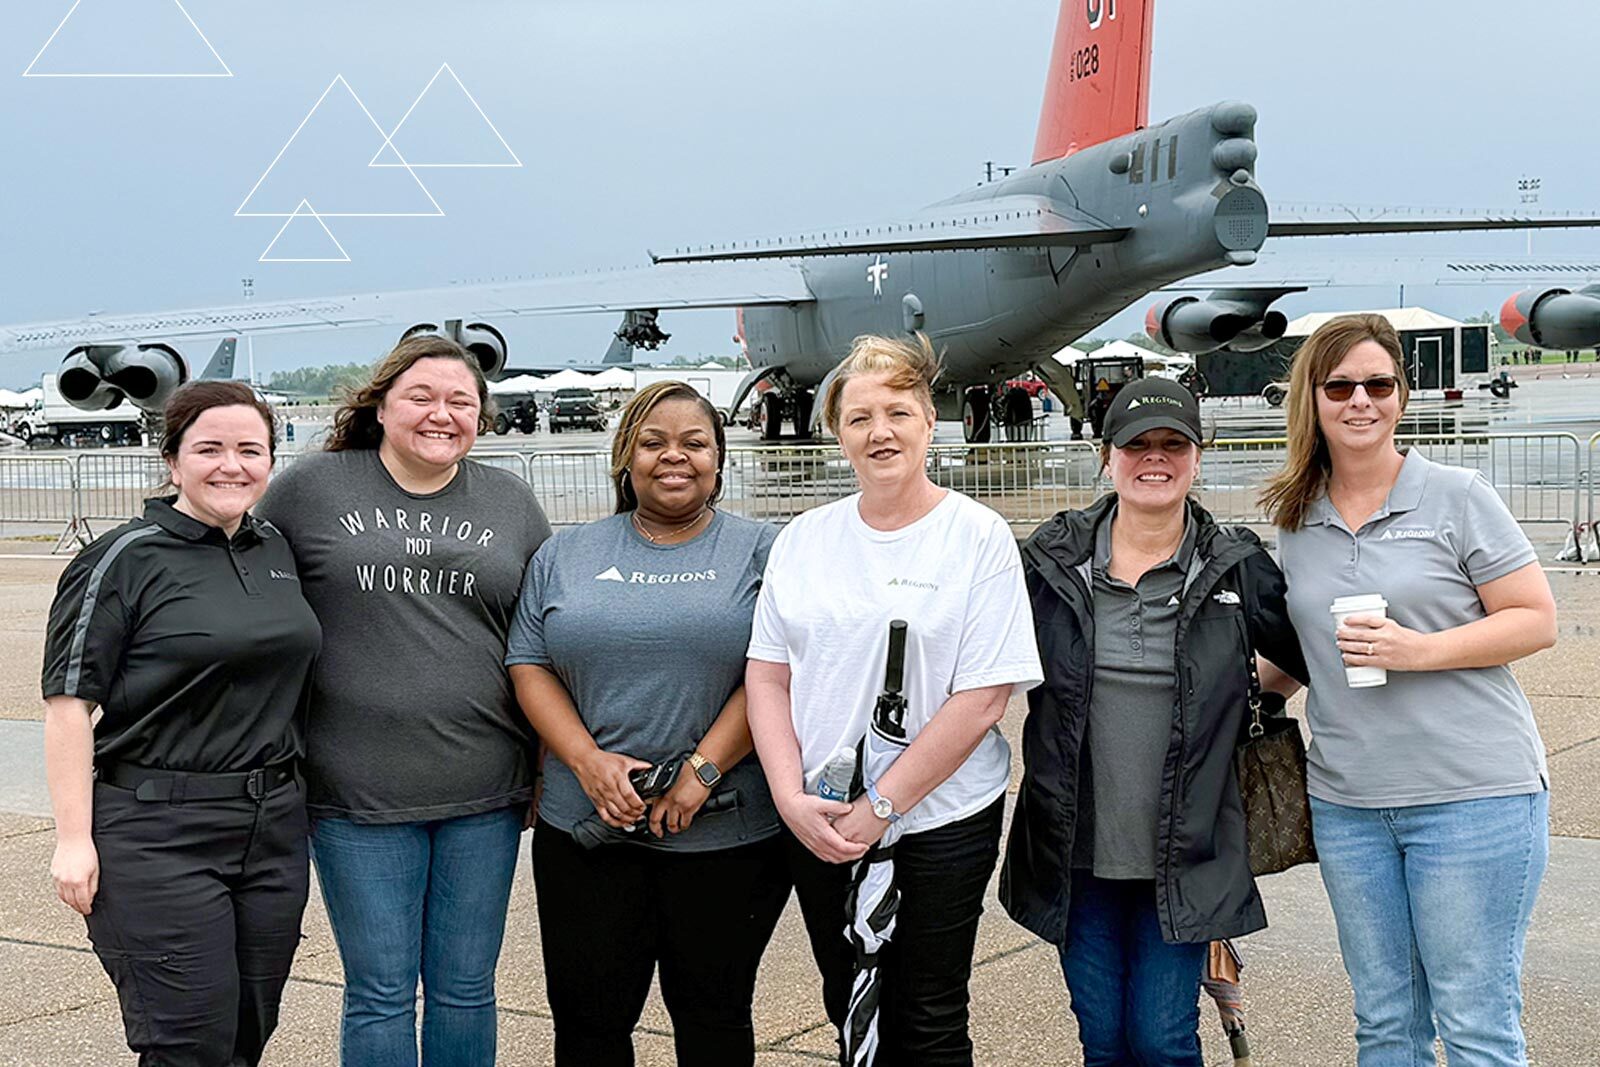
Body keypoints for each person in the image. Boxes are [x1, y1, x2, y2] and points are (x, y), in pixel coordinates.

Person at [1259, 313, 1557, 1066]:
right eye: (1341, 385)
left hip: (1472, 796)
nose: (1361, 400)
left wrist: (1417, 650)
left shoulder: (1457, 495)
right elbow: (1305, 650)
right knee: (1386, 1023)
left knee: (1475, 1023)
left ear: (1401, 393)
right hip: (1350, 805)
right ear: (1313, 398)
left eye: (1379, 384)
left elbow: (1534, 619)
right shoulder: (1296, 517)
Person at [746, 333, 1043, 1065]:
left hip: (941, 818)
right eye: (859, 417)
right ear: (836, 433)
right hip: (822, 818)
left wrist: (880, 805)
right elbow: (768, 675)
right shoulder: (803, 540)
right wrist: (790, 797)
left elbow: (982, 697)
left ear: (928, 421)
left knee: (928, 1012)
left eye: (899, 412)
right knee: (847, 998)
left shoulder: (977, 537)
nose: (880, 431)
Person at [256, 334, 552, 1067]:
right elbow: (243, 583)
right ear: (381, 403)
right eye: (421, 396)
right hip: (355, 793)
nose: (441, 414)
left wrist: (551, 761)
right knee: (381, 991)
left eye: (461, 400)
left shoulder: (510, 501)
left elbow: (543, 640)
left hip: (484, 791)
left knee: (464, 989)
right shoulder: (311, 489)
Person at [998, 377, 1307, 1066]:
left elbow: (1302, 653)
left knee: (1161, 1040)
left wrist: (1246, 696)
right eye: (1136, 444)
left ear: (1198, 457)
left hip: (1188, 851)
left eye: (1173, 443)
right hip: (1076, 851)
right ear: (1107, 457)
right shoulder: (1052, 561)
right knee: (1104, 1040)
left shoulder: (1235, 564)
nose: (1154, 457)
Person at [506, 380, 788, 1066]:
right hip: (588, 834)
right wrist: (586, 761)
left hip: (724, 831)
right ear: (625, 456)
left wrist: (701, 770)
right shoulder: (564, 554)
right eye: (653, 441)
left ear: (720, 458)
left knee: (714, 1017)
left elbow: (778, 669)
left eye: (695, 442)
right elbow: (528, 662)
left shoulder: (765, 550)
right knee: (588, 1023)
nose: (675, 456)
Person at [42, 381, 320, 1067]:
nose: (232, 464)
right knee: (187, 1043)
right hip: (158, 834)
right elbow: (68, 704)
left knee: (246, 1034)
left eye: (250, 449)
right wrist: (73, 838)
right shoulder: (123, 558)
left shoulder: (275, 548)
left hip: (272, 830)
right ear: (172, 460)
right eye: (210, 448)